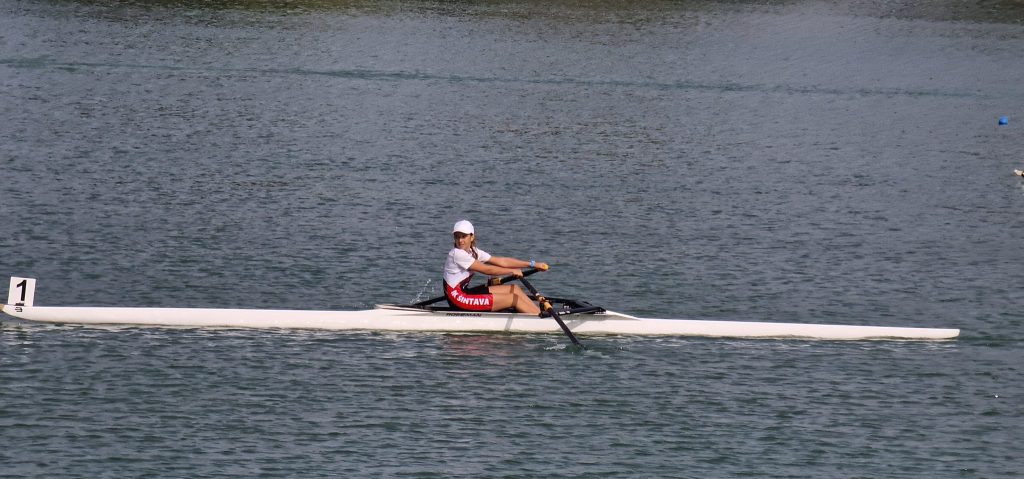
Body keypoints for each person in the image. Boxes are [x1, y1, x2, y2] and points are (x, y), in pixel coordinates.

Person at [443, 220, 549, 314]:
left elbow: (502, 261)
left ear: (472, 237)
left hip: (465, 292)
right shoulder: (457, 254)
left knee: (514, 289)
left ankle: (538, 313)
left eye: (463, 236)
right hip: (457, 299)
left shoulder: (473, 251)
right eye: (457, 237)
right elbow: (487, 269)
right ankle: (541, 320)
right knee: (513, 298)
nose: (460, 240)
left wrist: (532, 264)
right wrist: (512, 271)